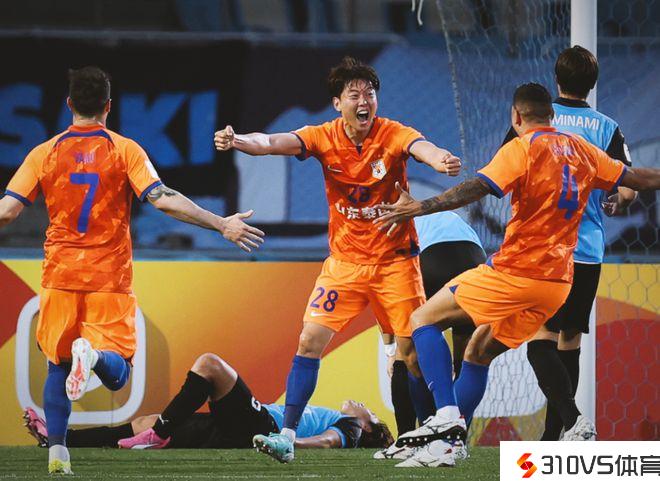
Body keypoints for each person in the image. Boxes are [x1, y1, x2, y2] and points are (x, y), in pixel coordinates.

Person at [374, 83, 660, 468]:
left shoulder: (522, 148)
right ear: (551, 116)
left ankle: (446, 417)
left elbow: (476, 188)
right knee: (478, 351)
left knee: (422, 320)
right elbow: (638, 179)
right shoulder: (583, 150)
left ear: (516, 116)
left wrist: (421, 207)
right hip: (557, 283)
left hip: (516, 272)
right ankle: (451, 445)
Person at [0, 67, 264, 475]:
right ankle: (93, 356)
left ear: (69, 105)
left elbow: (8, 211)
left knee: (57, 364)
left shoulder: (44, 152)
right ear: (108, 106)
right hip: (109, 278)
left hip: (60, 276)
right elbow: (163, 199)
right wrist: (220, 223)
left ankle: (58, 454)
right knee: (118, 372)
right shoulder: (124, 150)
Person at [213, 56, 461, 463]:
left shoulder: (392, 133)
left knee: (413, 356)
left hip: (395, 263)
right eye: (354, 94)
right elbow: (272, 143)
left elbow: (423, 148)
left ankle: (429, 437)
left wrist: (440, 160)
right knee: (308, 340)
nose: (364, 101)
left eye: (370, 93)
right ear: (337, 103)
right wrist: (238, 140)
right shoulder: (322, 136)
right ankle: (287, 436)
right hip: (344, 265)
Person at [502, 46, 636, 441]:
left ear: (556, 79)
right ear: (592, 85)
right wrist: (617, 200)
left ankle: (570, 422)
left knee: (539, 340)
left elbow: (507, 166)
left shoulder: (538, 117)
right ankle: (557, 437)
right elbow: (628, 188)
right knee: (570, 340)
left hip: (542, 249)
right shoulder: (607, 128)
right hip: (587, 249)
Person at [24, 353, 393, 451]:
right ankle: (59, 439)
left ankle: (160, 433)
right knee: (145, 423)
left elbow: (327, 442)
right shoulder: (342, 419)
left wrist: (284, 441)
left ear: (369, 426)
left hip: (263, 429)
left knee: (210, 365)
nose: (364, 404)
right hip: (244, 433)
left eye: (372, 411)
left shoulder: (350, 427)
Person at [375, 211, 486, 460]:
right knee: (467, 357)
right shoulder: (453, 219)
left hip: (431, 260)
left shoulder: (393, 230)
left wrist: (391, 351)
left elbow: (385, 300)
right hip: (474, 261)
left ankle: (410, 440)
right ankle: (455, 443)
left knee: (408, 356)